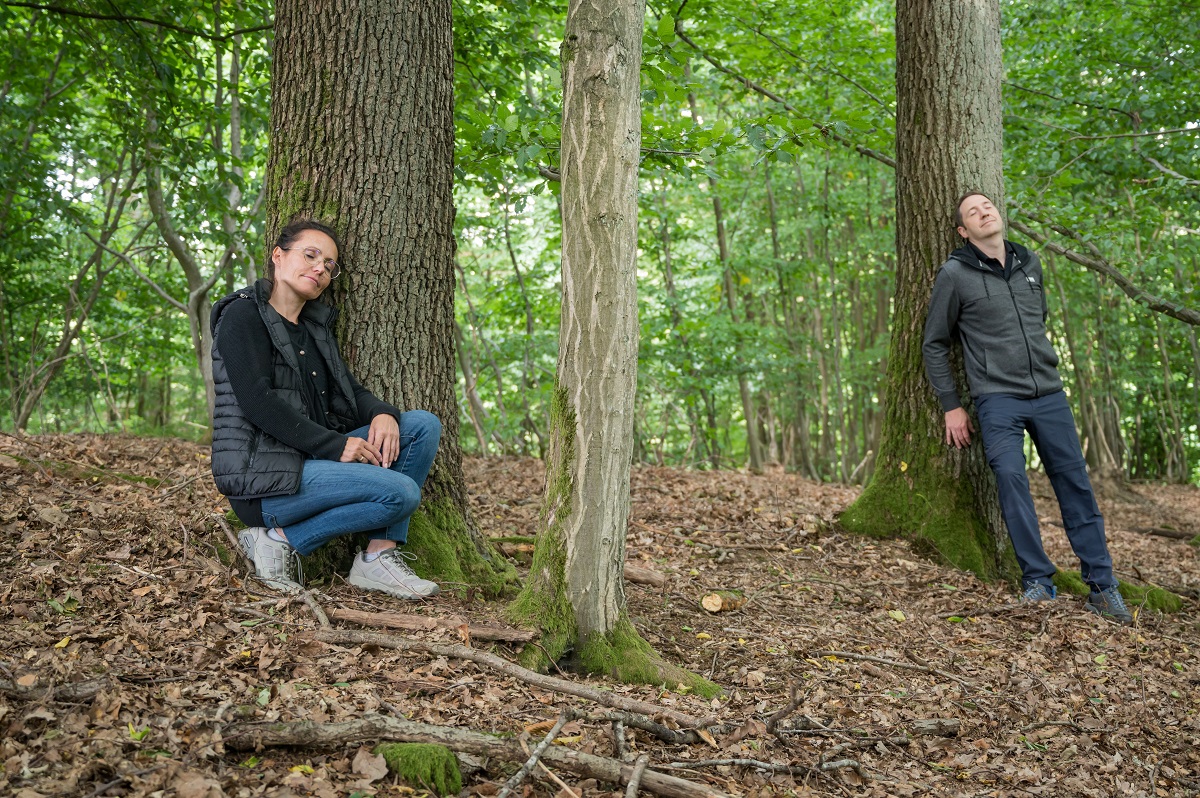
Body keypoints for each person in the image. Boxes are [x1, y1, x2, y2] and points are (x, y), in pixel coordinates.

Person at [922, 192, 1132, 624]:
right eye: (973, 213)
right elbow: (934, 343)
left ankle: (1103, 586)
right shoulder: (955, 274)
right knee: (1011, 479)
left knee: (1076, 487)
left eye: (988, 207)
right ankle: (1038, 581)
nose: (984, 213)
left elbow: (1039, 320)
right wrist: (951, 406)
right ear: (964, 231)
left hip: (1050, 396)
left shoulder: (1029, 262)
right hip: (997, 400)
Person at [210, 218, 442, 599]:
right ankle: (280, 539)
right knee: (400, 494)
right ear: (278, 256)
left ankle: (377, 560)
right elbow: (256, 402)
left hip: (311, 462)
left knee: (420, 425)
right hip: (263, 481)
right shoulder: (242, 315)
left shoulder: (314, 329)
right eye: (311, 255)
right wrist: (336, 447)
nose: (320, 268)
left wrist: (383, 413)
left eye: (329, 265)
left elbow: (350, 392)